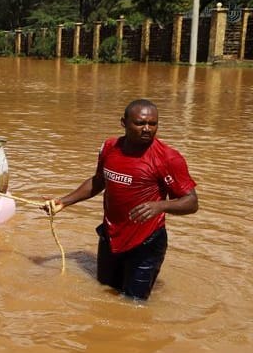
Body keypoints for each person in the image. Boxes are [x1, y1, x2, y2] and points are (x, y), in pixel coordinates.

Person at [42, 99, 198, 300]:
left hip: (146, 242)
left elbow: (191, 202)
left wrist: (161, 206)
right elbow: (99, 181)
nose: (147, 129)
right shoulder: (109, 147)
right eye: (140, 123)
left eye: (153, 124)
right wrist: (63, 202)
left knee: (134, 304)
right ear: (124, 123)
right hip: (110, 236)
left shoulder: (168, 158)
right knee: (104, 293)